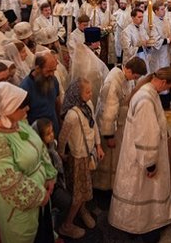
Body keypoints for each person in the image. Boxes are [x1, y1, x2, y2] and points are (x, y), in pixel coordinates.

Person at [109, 67, 171, 242]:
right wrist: (150, 163)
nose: (167, 91)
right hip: (141, 158)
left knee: (138, 190)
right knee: (140, 191)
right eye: (168, 87)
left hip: (135, 153)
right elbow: (147, 135)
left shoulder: (147, 91)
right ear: (162, 82)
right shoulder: (146, 100)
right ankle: (142, 227)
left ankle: (139, 224)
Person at [0, 82, 57, 243]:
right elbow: (11, 184)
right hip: (19, 209)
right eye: (22, 106)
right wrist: (40, 196)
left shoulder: (20, 125)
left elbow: (40, 149)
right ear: (8, 109)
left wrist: (50, 175)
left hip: (41, 196)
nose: (27, 109)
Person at [57, 79, 104, 239]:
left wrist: (98, 145)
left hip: (88, 153)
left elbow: (94, 125)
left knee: (85, 188)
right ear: (77, 94)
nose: (91, 95)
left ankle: (82, 210)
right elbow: (63, 137)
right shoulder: (72, 115)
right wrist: (61, 154)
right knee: (78, 193)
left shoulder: (88, 105)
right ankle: (67, 224)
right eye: (88, 92)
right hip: (78, 157)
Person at [93, 57, 146, 191]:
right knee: (108, 157)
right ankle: (103, 186)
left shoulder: (124, 77)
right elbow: (108, 112)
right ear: (128, 69)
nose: (134, 79)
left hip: (119, 124)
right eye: (134, 75)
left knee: (116, 157)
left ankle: (113, 184)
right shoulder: (113, 82)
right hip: (110, 129)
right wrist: (109, 136)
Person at [21, 51, 61, 135]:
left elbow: (57, 102)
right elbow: (22, 119)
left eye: (53, 71)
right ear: (38, 68)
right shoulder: (25, 88)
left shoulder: (53, 80)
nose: (52, 74)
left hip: (54, 130)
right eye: (49, 71)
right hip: (38, 135)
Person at [69, 27, 108, 108]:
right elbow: (92, 70)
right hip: (88, 84)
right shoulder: (83, 53)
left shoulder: (87, 49)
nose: (99, 44)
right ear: (93, 43)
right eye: (98, 41)